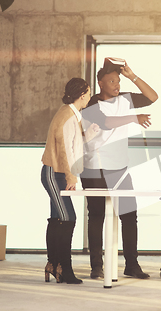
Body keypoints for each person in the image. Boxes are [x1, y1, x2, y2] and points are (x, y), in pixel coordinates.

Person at [80, 58, 158, 280]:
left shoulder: (125, 99)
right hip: (95, 167)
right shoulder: (91, 103)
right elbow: (106, 123)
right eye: (111, 81)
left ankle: (131, 265)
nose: (117, 84)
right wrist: (134, 117)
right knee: (96, 216)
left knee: (129, 215)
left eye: (118, 80)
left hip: (120, 167)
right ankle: (97, 266)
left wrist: (132, 76)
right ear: (100, 83)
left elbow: (153, 97)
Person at [41, 78, 100, 284]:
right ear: (82, 94)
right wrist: (71, 177)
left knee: (58, 218)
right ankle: (65, 269)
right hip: (54, 173)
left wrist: (90, 133)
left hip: (56, 172)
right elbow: (66, 151)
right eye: (89, 93)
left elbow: (73, 144)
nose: (90, 97)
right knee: (68, 218)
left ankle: (53, 264)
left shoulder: (71, 115)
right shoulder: (68, 116)